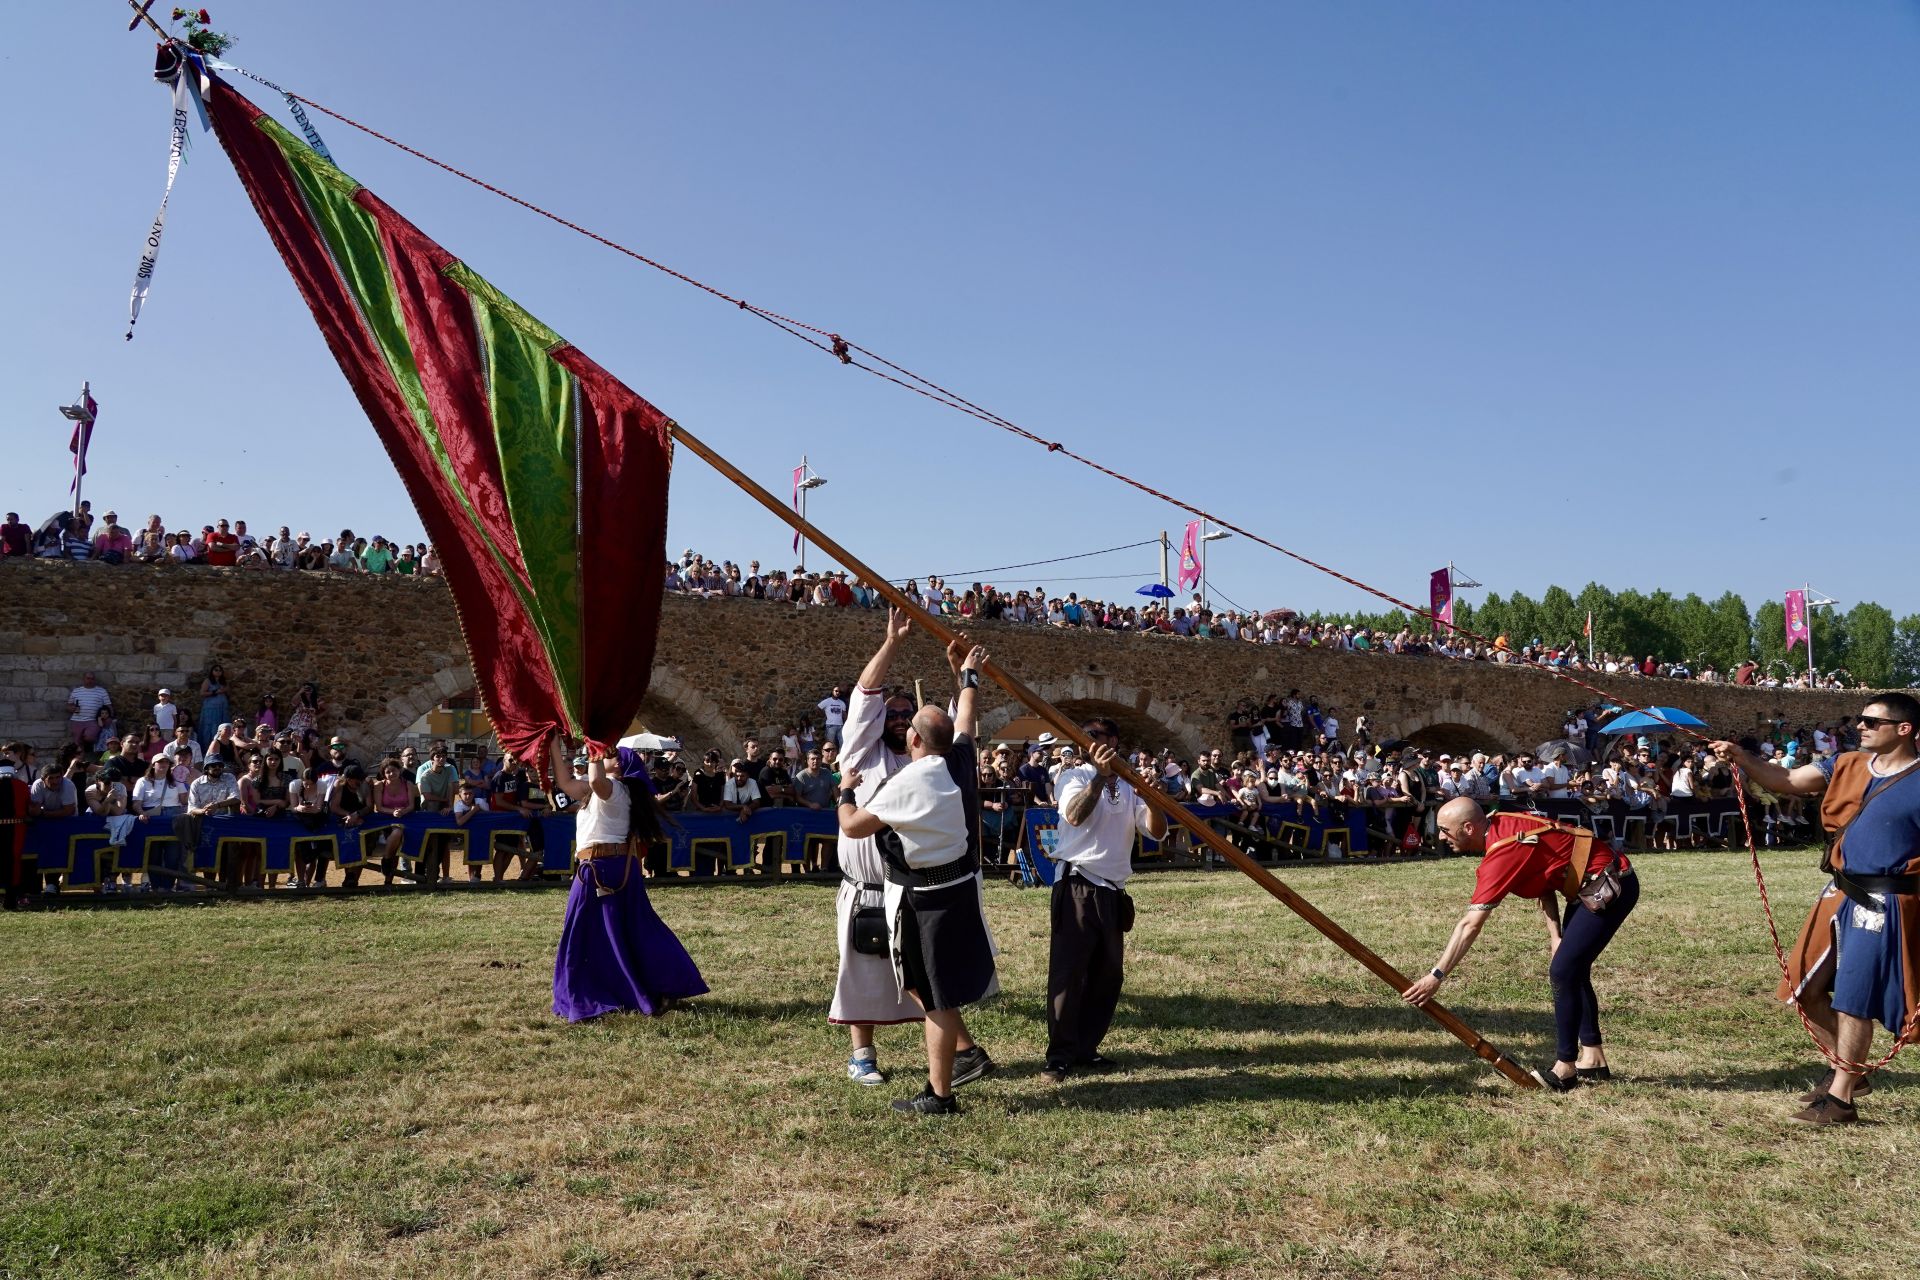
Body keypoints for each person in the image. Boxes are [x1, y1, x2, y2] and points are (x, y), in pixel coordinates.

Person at [1710, 694, 1920, 1125]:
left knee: (1854, 997)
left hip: (1888, 899)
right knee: (1802, 986)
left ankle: (1841, 1098)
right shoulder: (1843, 765)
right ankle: (1852, 1073)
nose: (1860, 726)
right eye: (1860, 719)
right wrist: (1741, 756)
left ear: (1904, 729)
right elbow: (1784, 779)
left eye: (1871, 721)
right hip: (1839, 890)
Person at [835, 640, 998, 1115]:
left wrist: (844, 791)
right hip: (956, 889)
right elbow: (966, 715)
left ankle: (940, 1095)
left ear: (913, 739)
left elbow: (851, 826)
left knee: (934, 995)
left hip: (923, 898)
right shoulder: (959, 760)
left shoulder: (905, 783)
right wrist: (965, 674)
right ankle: (957, 1065)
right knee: (930, 991)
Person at [1403, 797, 1637, 1091]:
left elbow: (1470, 925)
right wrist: (1556, 937)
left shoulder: (1503, 853)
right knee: (1571, 967)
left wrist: (1435, 976)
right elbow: (1545, 880)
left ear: (1468, 827)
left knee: (1563, 972)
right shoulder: (1503, 824)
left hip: (1610, 886)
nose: (1440, 837)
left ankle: (1565, 1068)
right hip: (1590, 886)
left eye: (1445, 830)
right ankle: (1593, 1059)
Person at [828, 610, 931, 1084]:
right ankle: (862, 1056)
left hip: (906, 883)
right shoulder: (860, 755)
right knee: (861, 971)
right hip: (864, 886)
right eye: (891, 712)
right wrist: (891, 644)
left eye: (906, 714)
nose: (897, 718)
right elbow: (864, 695)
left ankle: (951, 1051)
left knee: (917, 971)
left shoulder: (921, 764)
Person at [1042, 716, 1167, 1082]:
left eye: (1094, 735)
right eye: (1084, 736)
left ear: (1113, 739)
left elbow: (1155, 831)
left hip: (1113, 890)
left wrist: (1154, 798)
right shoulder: (1074, 776)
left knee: (1107, 976)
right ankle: (1059, 1056)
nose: (1086, 741)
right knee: (1069, 973)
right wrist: (1099, 776)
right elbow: (1075, 816)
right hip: (1078, 884)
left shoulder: (1131, 786)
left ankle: (1086, 1048)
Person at [548, 738, 708, 1020]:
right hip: (601, 867)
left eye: (607, 754)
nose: (600, 757)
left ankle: (632, 989)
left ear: (618, 764)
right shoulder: (598, 790)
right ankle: (631, 988)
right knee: (616, 931)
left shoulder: (618, 789)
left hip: (605, 869)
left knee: (603, 932)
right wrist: (551, 743)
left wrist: (593, 744)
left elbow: (597, 780)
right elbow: (564, 782)